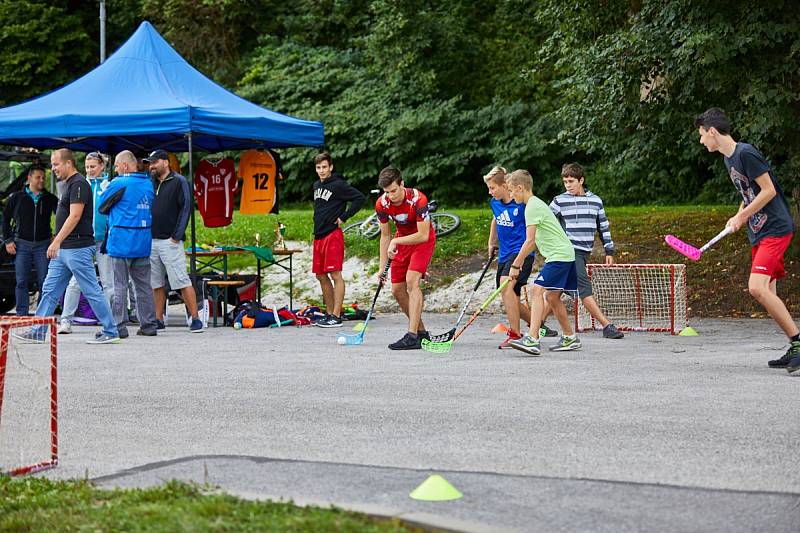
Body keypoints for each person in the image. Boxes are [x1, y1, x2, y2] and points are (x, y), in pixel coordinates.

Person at [694, 108, 798, 374]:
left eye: (702, 135)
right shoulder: (729, 160)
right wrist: (738, 215)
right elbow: (749, 192)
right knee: (769, 294)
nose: (702, 141)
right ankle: (793, 343)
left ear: (713, 131)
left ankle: (799, 342)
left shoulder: (745, 153)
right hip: (759, 232)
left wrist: (742, 217)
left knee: (756, 288)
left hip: (775, 228)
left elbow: (768, 190)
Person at [12, 149, 119, 344]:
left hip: (77, 247)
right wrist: (59, 244)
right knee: (50, 289)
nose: (52, 169)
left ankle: (111, 330)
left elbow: (75, 216)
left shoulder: (78, 183)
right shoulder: (69, 184)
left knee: (91, 291)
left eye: (56, 164)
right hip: (65, 249)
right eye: (52, 164)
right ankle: (38, 329)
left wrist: (56, 241)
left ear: (68, 163)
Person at [505, 169, 581, 355]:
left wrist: (516, 264)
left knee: (537, 290)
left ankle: (532, 339)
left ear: (520, 188)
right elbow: (532, 242)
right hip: (562, 254)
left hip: (559, 255)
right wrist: (518, 262)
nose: (511, 194)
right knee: (552, 297)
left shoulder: (532, 207)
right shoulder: (534, 205)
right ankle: (570, 337)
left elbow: (529, 241)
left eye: (511, 190)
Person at [549, 163, 624, 339]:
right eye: (565, 181)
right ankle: (607, 326)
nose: (568, 185)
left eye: (571, 181)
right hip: (569, 251)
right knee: (584, 288)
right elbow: (546, 223)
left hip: (584, 252)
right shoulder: (559, 201)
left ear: (581, 180)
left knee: (555, 290)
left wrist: (609, 251)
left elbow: (603, 228)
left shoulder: (595, 201)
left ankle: (537, 324)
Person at [484, 166, 557, 349]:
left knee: (505, 285)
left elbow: (532, 232)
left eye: (493, 188)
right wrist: (491, 241)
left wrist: (520, 259)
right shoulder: (495, 203)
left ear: (504, 186)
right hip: (504, 253)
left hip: (522, 252)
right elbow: (496, 219)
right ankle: (538, 326)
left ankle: (515, 334)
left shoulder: (522, 204)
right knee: (511, 297)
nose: (490, 192)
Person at [99, 151, 158, 338]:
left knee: (120, 285)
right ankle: (148, 325)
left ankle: (118, 326)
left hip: (121, 242)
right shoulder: (148, 184)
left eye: (116, 166)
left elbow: (102, 206)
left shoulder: (119, 183)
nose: (115, 170)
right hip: (142, 240)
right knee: (143, 286)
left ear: (125, 166)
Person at [375, 166, 435, 350]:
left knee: (412, 281)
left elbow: (423, 235)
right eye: (387, 192)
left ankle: (411, 335)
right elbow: (385, 236)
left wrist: (397, 241)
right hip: (401, 241)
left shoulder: (418, 199)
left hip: (421, 241)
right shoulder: (382, 204)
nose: (391, 196)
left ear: (402, 184)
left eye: (394, 190)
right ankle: (421, 333)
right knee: (397, 290)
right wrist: (382, 267)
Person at [144, 149, 203, 332]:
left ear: (165, 162)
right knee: (156, 283)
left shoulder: (179, 181)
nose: (151, 166)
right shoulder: (150, 183)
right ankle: (158, 319)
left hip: (170, 241)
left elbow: (186, 208)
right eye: (150, 163)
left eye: (154, 162)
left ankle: (195, 318)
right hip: (151, 240)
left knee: (181, 280)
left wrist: (176, 236)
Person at [57, 151, 114, 334]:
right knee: (75, 282)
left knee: (107, 283)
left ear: (102, 167)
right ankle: (66, 320)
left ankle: (108, 321)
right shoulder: (81, 183)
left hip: (103, 240)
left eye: (93, 167)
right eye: (87, 167)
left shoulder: (109, 185)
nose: (89, 170)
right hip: (84, 241)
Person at [312, 152, 365, 327]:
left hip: (332, 235)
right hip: (318, 236)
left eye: (324, 167)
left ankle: (336, 315)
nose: (321, 170)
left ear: (331, 167)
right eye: (318, 167)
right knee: (321, 275)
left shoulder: (339, 185)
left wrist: (344, 217)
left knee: (335, 274)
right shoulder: (315, 185)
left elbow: (359, 198)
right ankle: (329, 314)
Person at [1, 165, 58, 316]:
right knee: (21, 281)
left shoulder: (50, 198)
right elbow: (5, 219)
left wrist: (57, 236)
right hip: (21, 245)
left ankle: (42, 315)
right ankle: (21, 314)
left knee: (44, 281)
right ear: (29, 178)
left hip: (43, 245)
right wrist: (8, 240)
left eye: (43, 177)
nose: (42, 180)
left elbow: (63, 216)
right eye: (38, 177)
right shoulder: (17, 198)